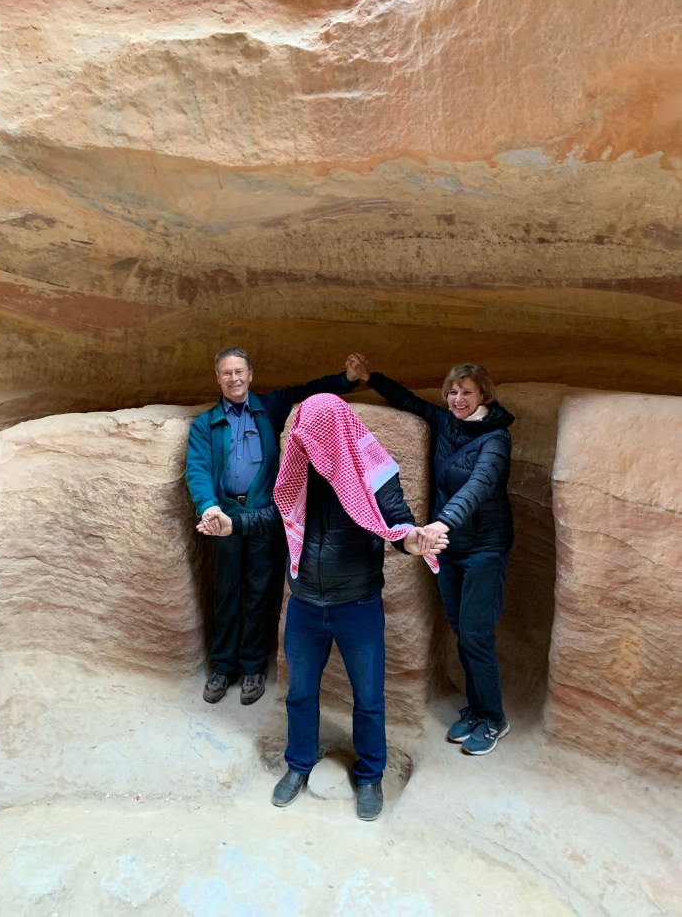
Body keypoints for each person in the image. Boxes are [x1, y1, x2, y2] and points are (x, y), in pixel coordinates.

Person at [199, 394, 447, 820]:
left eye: (314, 432)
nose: (305, 439)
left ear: (336, 430)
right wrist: (233, 523)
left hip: (357, 604)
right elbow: (275, 515)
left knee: (368, 697)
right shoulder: (298, 467)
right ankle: (299, 764)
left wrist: (413, 540)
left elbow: (396, 522)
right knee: (300, 693)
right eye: (303, 431)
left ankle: (370, 775)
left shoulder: (373, 469)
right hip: (306, 604)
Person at [347, 353, 514, 756]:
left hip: (484, 549)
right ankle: (476, 707)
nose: (458, 399)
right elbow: (408, 401)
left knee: (476, 634)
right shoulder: (445, 422)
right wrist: (371, 378)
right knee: (461, 629)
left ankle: (494, 718)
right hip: (451, 548)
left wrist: (443, 522)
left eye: (466, 392)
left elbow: (479, 485)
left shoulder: (496, 439)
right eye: (452, 392)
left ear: (483, 395)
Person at [186, 348, 360, 706]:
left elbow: (308, 391)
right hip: (224, 516)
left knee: (259, 592)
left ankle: (252, 666)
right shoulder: (205, 424)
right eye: (227, 373)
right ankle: (223, 666)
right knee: (226, 593)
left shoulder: (269, 408)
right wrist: (209, 507)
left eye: (240, 372)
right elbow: (198, 469)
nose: (234, 379)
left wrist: (347, 380)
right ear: (217, 378)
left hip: (263, 516)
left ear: (251, 374)